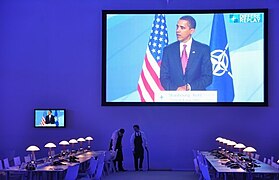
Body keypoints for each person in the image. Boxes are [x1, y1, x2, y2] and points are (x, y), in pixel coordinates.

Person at [160, 15, 212, 91]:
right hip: (174, 98)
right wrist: (176, 89)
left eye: (182, 28)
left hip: (197, 97)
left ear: (192, 31)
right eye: (177, 27)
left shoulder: (203, 49)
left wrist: (188, 87)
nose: (178, 30)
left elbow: (207, 77)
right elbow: (164, 77)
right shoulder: (168, 50)